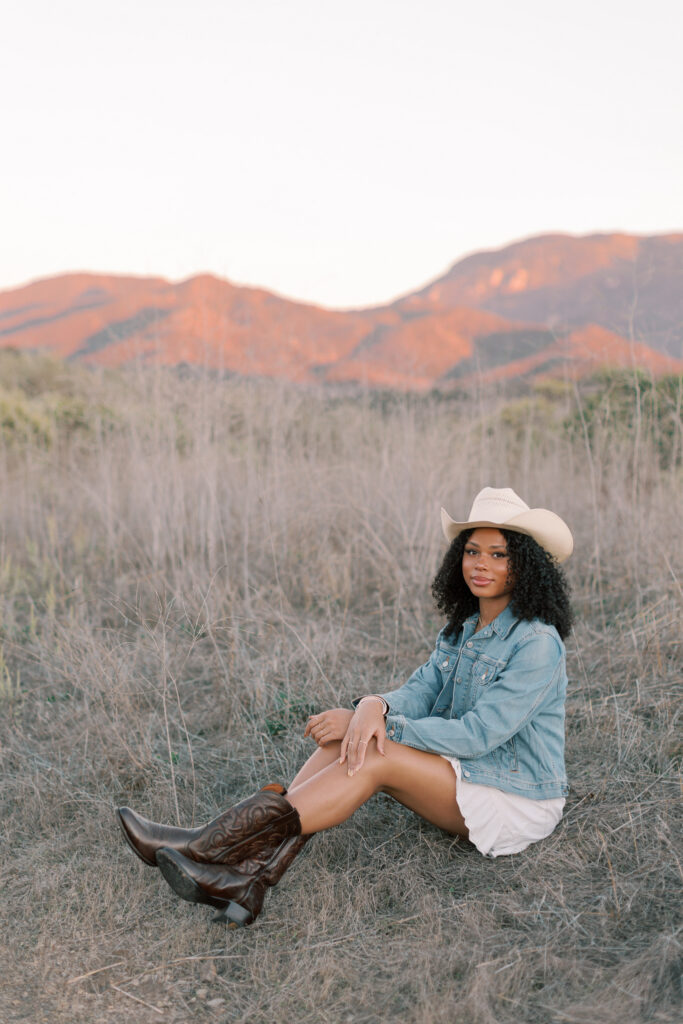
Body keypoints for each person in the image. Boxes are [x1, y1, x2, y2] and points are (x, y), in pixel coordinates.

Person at [117, 487, 573, 928]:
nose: (481, 564)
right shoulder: (464, 628)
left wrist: (378, 727)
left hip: (514, 796)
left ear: (525, 565)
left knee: (372, 752)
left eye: (499, 554)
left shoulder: (536, 643)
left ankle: (208, 849)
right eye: (473, 551)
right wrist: (371, 707)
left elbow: (478, 736)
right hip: (465, 771)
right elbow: (419, 691)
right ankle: (243, 878)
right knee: (351, 739)